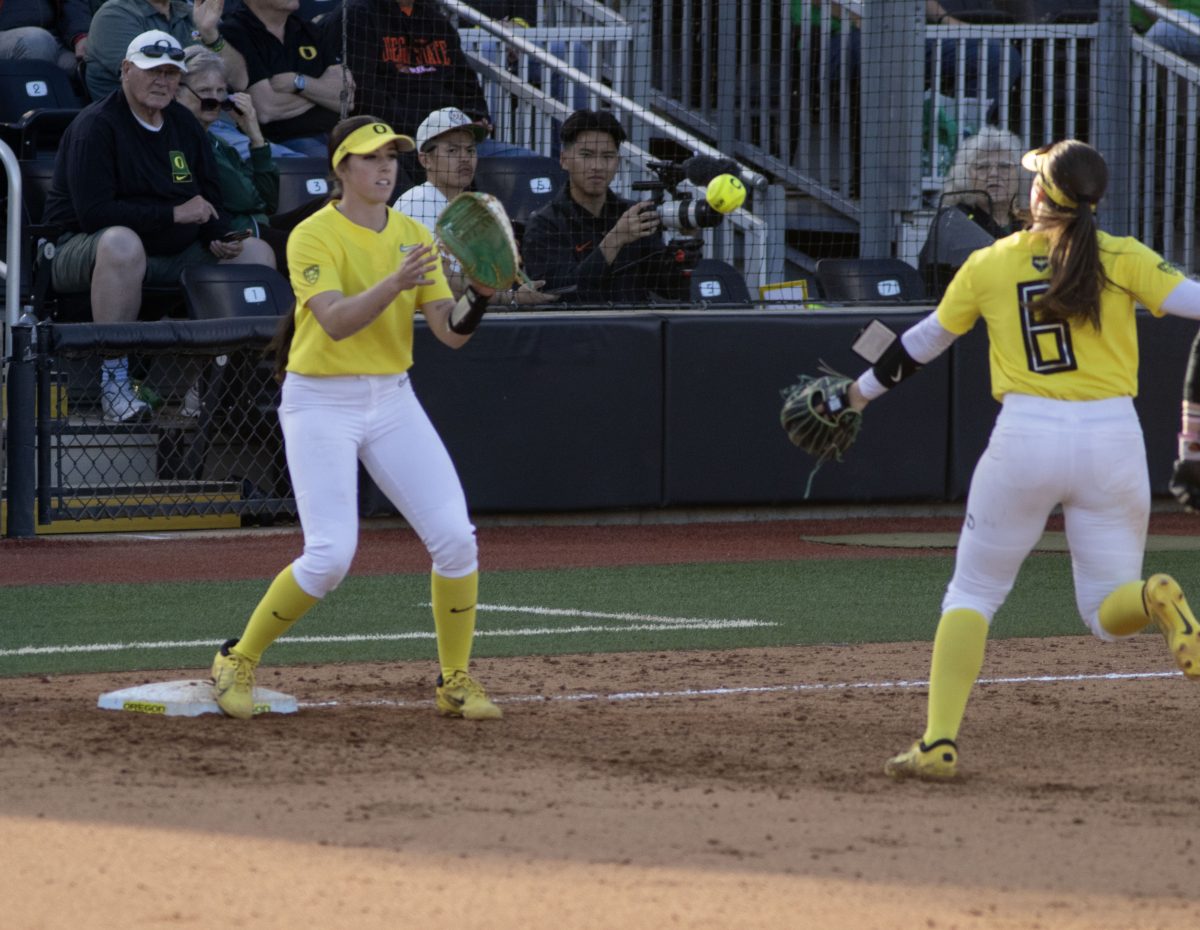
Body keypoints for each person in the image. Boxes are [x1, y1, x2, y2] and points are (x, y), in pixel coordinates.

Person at [841, 139, 1200, 781]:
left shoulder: (990, 262)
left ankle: (939, 742)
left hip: (1026, 438)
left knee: (973, 592)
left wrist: (856, 395)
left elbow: (922, 344)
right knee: (1106, 612)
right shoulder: (1121, 256)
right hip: (1111, 439)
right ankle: (1152, 596)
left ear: (1038, 196)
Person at [210, 115, 504, 722]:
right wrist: (396, 282)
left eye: (391, 157)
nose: (385, 167)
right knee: (331, 554)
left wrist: (481, 293)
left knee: (455, 538)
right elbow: (337, 322)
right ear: (341, 168)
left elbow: (450, 334)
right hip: (321, 399)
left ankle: (455, 680)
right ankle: (237, 657)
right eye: (371, 158)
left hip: (391, 397)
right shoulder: (312, 234)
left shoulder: (412, 232)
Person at [41, 30, 275, 423]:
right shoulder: (95, 126)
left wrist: (217, 237)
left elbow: (210, 198)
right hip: (75, 249)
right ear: (126, 70)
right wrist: (173, 215)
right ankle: (114, 383)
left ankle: (211, 387)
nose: (162, 81)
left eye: (170, 73)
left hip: (170, 250)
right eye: (152, 71)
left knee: (257, 252)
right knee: (121, 243)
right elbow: (94, 215)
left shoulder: (183, 124)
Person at [521, 108, 694, 306]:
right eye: (586, 155)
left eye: (607, 156)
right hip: (573, 333)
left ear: (617, 162)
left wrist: (685, 241)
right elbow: (559, 293)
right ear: (564, 160)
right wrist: (615, 239)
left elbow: (669, 289)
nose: (598, 165)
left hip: (635, 330)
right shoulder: (544, 224)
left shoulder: (636, 217)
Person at [395, 106, 556, 307]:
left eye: (470, 150)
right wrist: (511, 298)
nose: (464, 158)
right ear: (425, 159)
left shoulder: (475, 207)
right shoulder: (416, 202)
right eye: (452, 150)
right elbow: (436, 280)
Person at [335, 0, 530, 157]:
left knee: (527, 163)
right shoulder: (358, 15)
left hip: (454, 139)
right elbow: (366, 94)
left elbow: (466, 84)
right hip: (398, 141)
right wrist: (426, 129)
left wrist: (475, 118)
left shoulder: (437, 22)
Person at [177, 46, 280, 267]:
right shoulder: (186, 141)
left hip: (257, 224)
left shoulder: (217, 141)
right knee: (318, 246)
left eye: (221, 91)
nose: (215, 100)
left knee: (326, 209)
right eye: (205, 92)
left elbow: (269, 201)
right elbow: (245, 198)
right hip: (236, 233)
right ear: (177, 92)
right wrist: (255, 198)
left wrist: (255, 137)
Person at [221, 0, 352, 158]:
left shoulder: (307, 30)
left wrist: (297, 83)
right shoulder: (234, 31)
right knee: (343, 165)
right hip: (283, 142)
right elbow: (265, 109)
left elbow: (347, 98)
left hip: (336, 133)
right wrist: (322, 91)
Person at [918, 126, 1027, 296]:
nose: (993, 174)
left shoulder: (1028, 222)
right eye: (982, 167)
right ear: (964, 175)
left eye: (1005, 166)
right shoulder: (953, 222)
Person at [85, 0, 247, 100]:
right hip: (144, 129)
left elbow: (239, 81)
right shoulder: (113, 15)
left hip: (213, 118)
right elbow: (150, 79)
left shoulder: (192, 13)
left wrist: (211, 35)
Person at [0, 0, 91, 74]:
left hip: (54, 37)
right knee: (36, 42)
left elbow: (72, 4)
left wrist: (80, 35)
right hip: (7, 36)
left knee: (90, 65)